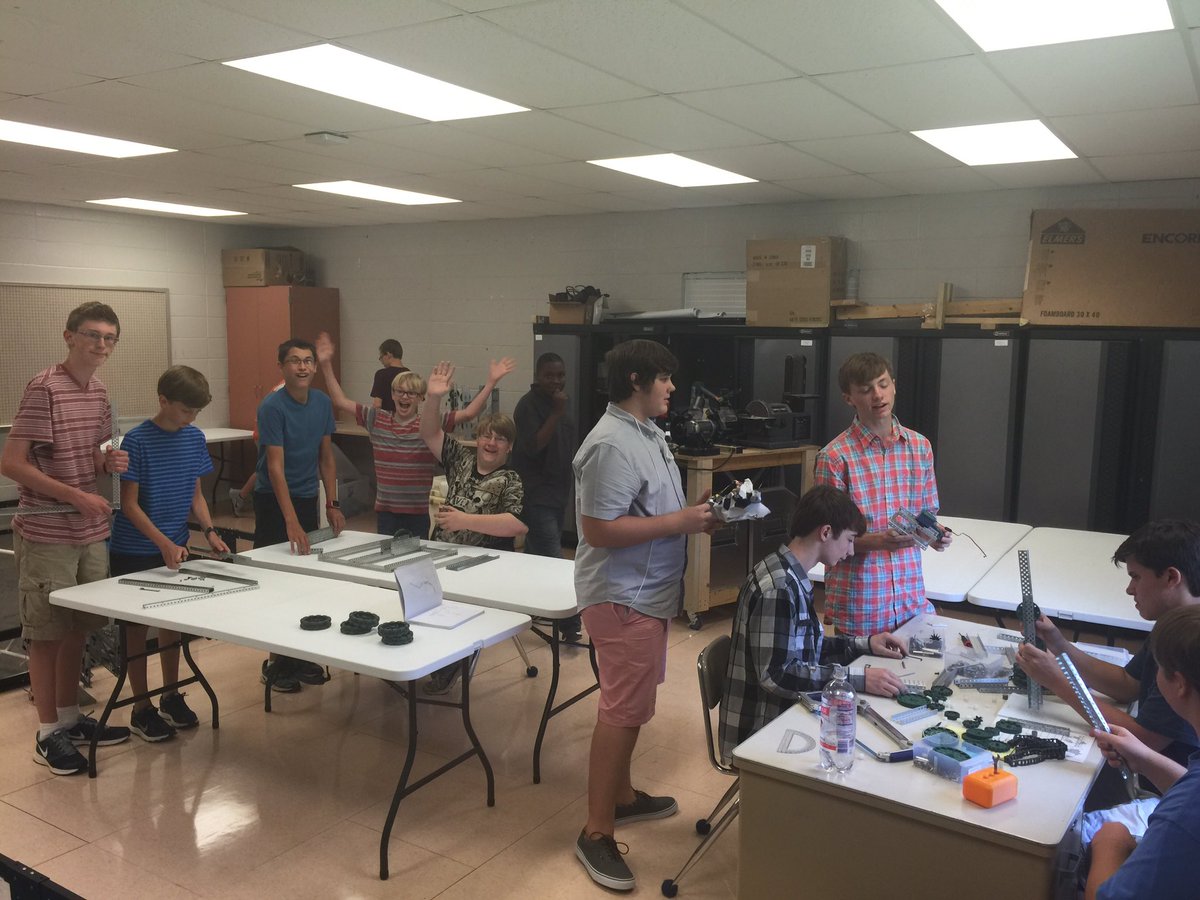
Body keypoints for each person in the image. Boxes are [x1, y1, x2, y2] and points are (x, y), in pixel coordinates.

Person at [570, 339, 718, 892]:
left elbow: (652, 509)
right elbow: (599, 531)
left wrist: (699, 515)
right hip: (621, 596)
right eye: (664, 378)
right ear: (637, 380)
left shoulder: (644, 433)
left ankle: (623, 797)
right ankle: (596, 830)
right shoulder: (611, 443)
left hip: (646, 594)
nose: (672, 388)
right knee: (621, 710)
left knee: (632, 705)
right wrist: (682, 522)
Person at [0, 301, 132, 775]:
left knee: (78, 627)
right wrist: (76, 496)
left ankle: (72, 719)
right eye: (93, 335)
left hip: (89, 531)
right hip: (48, 530)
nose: (101, 345)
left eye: (110, 338)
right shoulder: (44, 388)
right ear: (69, 336)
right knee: (46, 634)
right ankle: (47, 733)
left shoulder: (98, 391)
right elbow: (12, 463)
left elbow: (95, 457)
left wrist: (107, 464)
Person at [1017, 519, 1200, 810]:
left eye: (1136, 577)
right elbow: (1128, 685)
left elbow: (1144, 741)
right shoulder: (1175, 623)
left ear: (1170, 577)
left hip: (1160, 793)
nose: (1130, 589)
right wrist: (1060, 646)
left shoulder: (1188, 647)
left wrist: (1057, 682)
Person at [718, 484, 905, 763]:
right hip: (762, 732)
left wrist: (865, 644)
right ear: (826, 532)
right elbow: (777, 675)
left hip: (783, 717)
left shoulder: (790, 572)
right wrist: (857, 680)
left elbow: (807, 647)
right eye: (850, 539)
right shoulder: (780, 586)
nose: (851, 551)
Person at [109, 366, 230, 741]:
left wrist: (209, 531)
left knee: (172, 625)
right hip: (136, 549)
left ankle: (171, 695)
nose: (191, 418)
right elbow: (129, 505)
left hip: (174, 546)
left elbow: (195, 494)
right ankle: (141, 706)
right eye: (185, 410)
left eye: (196, 413)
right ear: (163, 401)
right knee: (135, 631)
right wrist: (162, 543)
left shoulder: (193, 437)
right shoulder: (136, 441)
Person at [316, 333, 514, 537]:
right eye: (400, 392)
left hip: (417, 514)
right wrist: (326, 365)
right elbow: (340, 401)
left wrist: (491, 382)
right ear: (392, 395)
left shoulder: (429, 423)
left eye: (411, 393)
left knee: (416, 562)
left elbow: (469, 413)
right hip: (386, 513)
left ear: (420, 398)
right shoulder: (376, 418)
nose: (404, 397)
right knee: (386, 562)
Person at [814, 352, 950, 636]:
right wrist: (878, 541)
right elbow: (826, 540)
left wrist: (936, 534)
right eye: (865, 390)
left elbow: (926, 513)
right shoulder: (835, 457)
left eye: (883, 384)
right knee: (862, 679)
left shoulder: (919, 447)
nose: (877, 395)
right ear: (849, 398)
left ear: (894, 385)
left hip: (910, 599)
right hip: (862, 603)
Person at [419, 360, 527, 693]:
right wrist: (434, 398)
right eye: (485, 436)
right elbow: (429, 432)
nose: (491, 443)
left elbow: (515, 524)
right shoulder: (460, 460)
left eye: (499, 439)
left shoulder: (510, 479)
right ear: (477, 439)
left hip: (483, 565)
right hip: (442, 553)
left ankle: (451, 663)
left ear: (509, 447)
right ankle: (423, 653)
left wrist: (465, 520)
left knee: (455, 609)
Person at [1083, 604, 1200, 900]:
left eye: (1158, 667)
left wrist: (1111, 844)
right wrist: (1145, 758)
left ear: (1179, 684)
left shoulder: (1183, 816)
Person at [254, 338, 345, 693]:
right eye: (295, 361)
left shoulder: (321, 403)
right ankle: (276, 663)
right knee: (278, 583)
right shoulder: (272, 407)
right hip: (273, 501)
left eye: (308, 361)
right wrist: (289, 519)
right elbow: (274, 469)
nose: (303, 367)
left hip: (307, 497)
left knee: (306, 579)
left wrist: (331, 503)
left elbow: (326, 457)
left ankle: (300, 653)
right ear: (282, 366)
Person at [511, 352, 580, 639]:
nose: (556, 380)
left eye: (560, 375)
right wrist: (555, 414)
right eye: (550, 375)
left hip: (558, 490)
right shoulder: (528, 406)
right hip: (535, 492)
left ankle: (523, 608)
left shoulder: (561, 403)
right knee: (553, 556)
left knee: (534, 555)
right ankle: (570, 625)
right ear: (538, 376)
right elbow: (533, 446)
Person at [370, 338, 409, 412]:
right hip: (405, 418)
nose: (381, 360)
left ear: (388, 355)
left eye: (381, 357)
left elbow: (377, 404)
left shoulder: (381, 374)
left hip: (387, 420)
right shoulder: (410, 374)